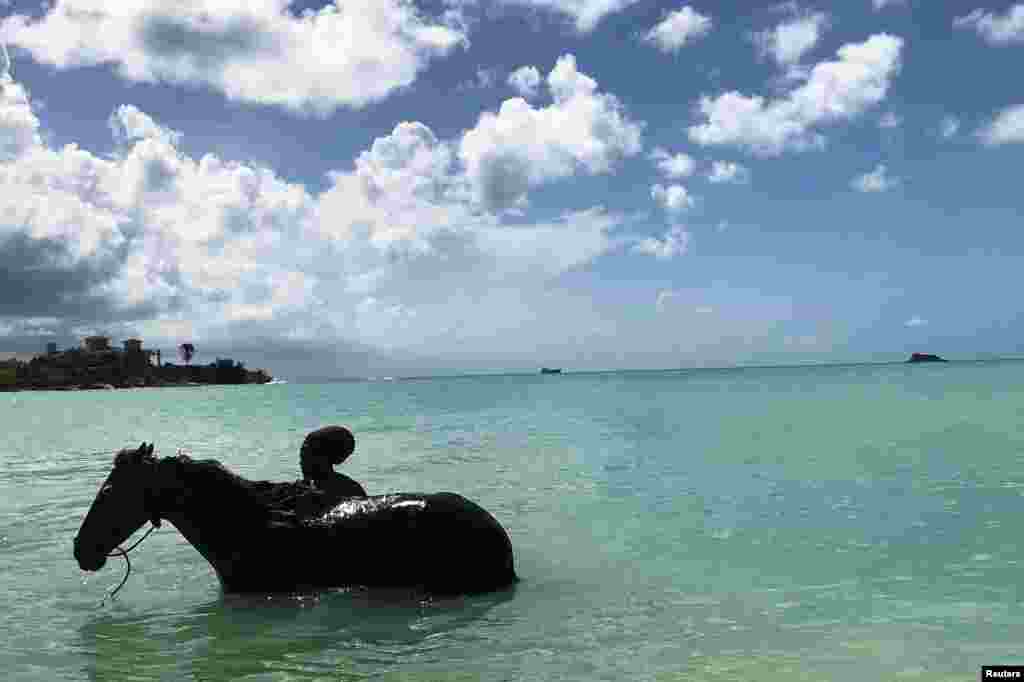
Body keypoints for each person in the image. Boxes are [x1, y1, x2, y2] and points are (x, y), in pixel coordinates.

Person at [300, 425, 367, 499]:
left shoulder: (350, 491)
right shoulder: (352, 489)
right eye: (303, 456)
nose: (301, 463)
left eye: (311, 455)